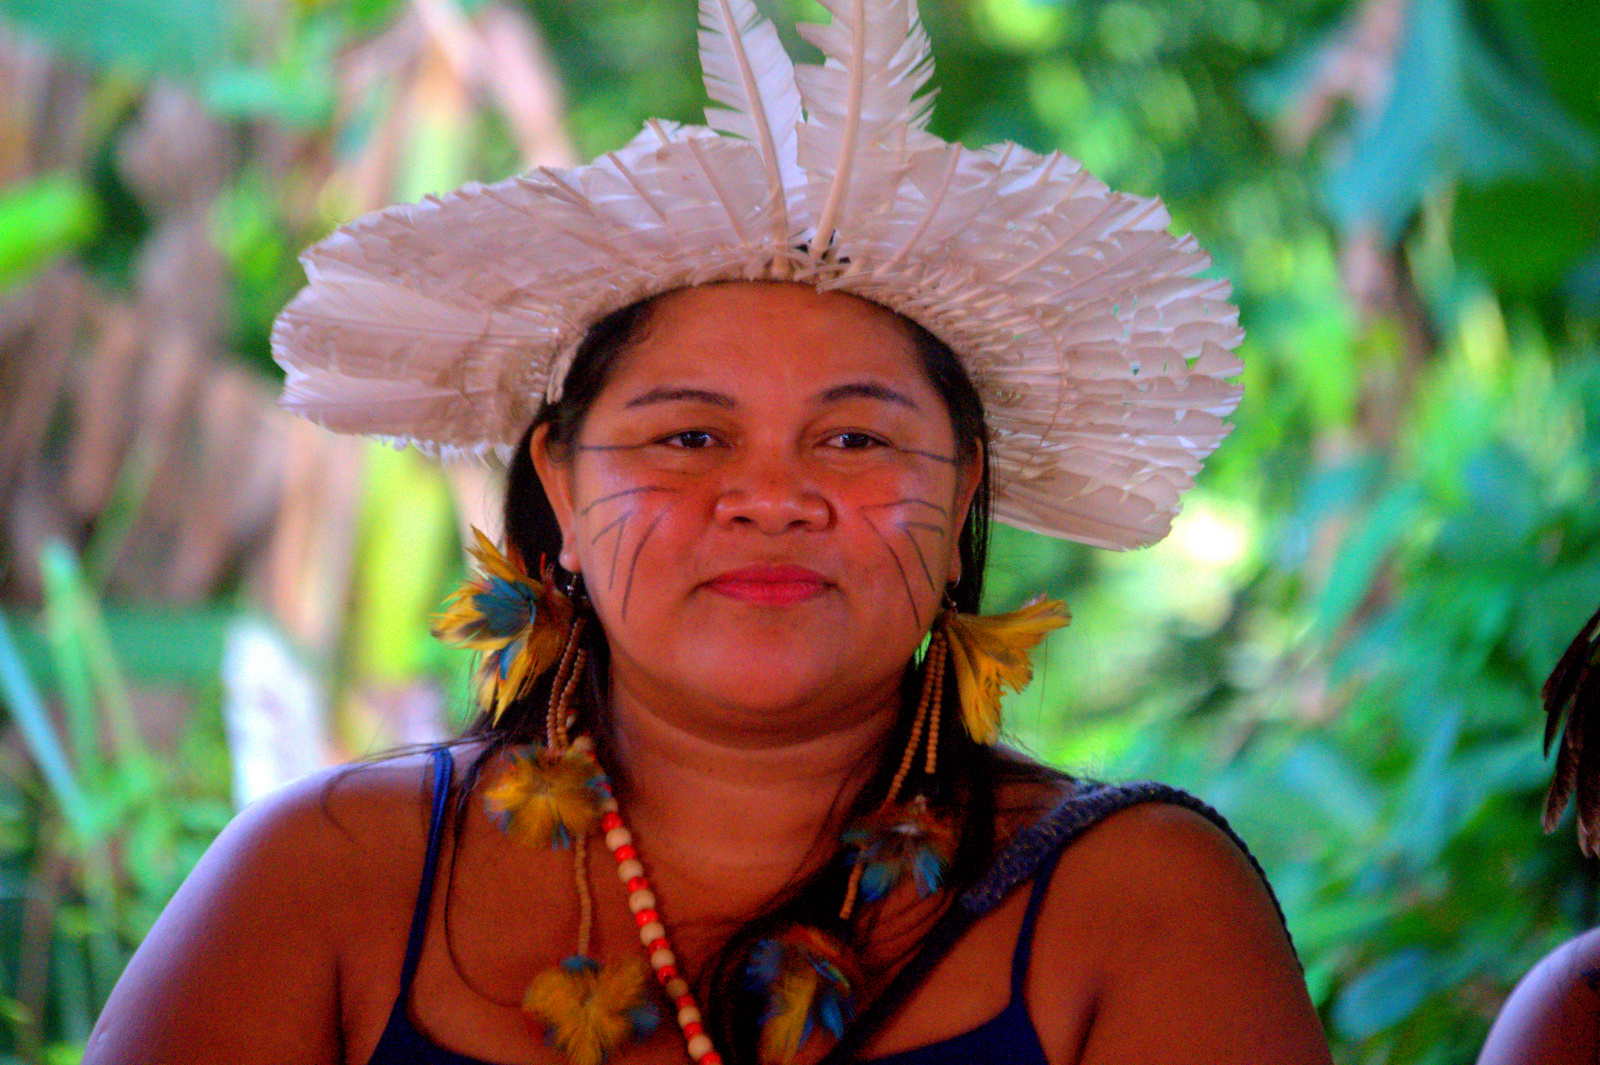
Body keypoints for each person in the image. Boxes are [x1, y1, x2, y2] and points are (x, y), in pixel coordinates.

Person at [86, 2, 1330, 1063]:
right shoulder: (324, 877)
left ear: (962, 503)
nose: (770, 497)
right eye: (687, 437)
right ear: (561, 493)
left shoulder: (1136, 901)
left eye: (856, 439)